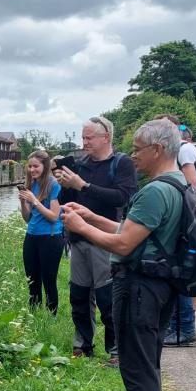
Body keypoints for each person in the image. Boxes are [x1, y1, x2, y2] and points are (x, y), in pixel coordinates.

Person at [61, 119, 186, 391]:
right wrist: (90, 216)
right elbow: (130, 229)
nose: (133, 157)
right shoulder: (177, 185)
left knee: (137, 365)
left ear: (157, 150)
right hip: (160, 286)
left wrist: (80, 228)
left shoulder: (155, 190)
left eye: (138, 150)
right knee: (146, 361)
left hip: (140, 288)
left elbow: (123, 244)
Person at [54, 116, 138, 362]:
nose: (85, 142)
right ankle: (82, 345)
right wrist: (66, 184)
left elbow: (122, 198)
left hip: (106, 238)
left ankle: (115, 350)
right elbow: (66, 199)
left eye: (89, 137)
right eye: (83, 137)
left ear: (106, 137)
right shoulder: (81, 164)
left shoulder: (121, 164)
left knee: (107, 296)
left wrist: (83, 185)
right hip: (78, 238)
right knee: (78, 295)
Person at [156, 114, 196, 347]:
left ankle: (184, 329)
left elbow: (192, 184)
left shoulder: (184, 150)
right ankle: (178, 328)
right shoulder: (183, 150)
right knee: (177, 272)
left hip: (187, 218)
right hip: (186, 216)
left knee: (181, 274)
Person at [18, 150, 64, 313]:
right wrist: (24, 203)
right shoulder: (32, 184)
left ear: (45, 166)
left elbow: (53, 217)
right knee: (32, 279)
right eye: (29, 166)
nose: (32, 170)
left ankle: (51, 316)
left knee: (48, 280)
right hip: (31, 236)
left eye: (35, 166)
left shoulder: (54, 185)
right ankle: (34, 315)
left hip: (50, 238)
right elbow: (27, 218)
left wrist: (35, 201)